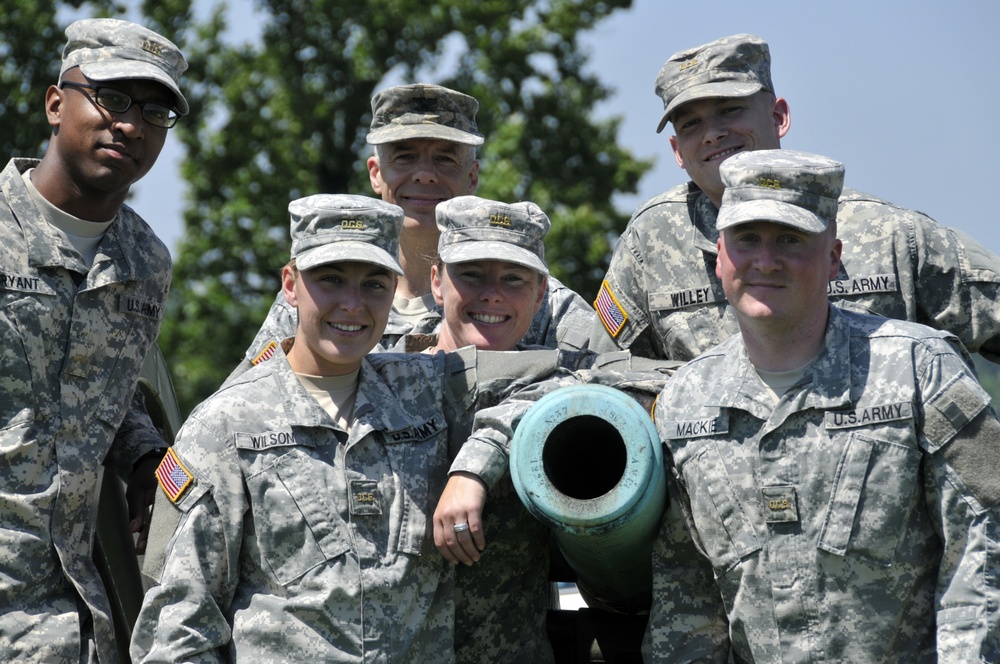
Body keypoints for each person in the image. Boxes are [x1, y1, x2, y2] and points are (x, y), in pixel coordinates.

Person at [131, 194, 632, 662]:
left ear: (395, 290)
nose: (353, 304)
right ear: (290, 284)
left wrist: (473, 468)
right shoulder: (224, 425)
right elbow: (179, 624)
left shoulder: (426, 389)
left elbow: (565, 382)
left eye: (373, 283)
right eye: (330, 279)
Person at [644, 150, 1000, 662]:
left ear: (833, 257)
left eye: (790, 240)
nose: (766, 260)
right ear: (719, 257)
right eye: (747, 240)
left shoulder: (921, 370)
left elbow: (983, 551)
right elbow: (687, 600)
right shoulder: (687, 400)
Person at [590, 33, 1000, 365]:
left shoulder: (888, 233)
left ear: (778, 117)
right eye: (692, 123)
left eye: (730, 110)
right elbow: (603, 369)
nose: (712, 133)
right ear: (678, 151)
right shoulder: (652, 240)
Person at [0, 17, 187, 662]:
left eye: (157, 110)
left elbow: (107, 387)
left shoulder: (144, 260)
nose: (132, 125)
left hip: (72, 615)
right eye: (111, 98)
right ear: (56, 103)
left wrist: (143, 457)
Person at [232, 83, 594, 377]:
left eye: (445, 158)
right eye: (404, 156)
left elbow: (609, 383)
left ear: (472, 176)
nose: (424, 174)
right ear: (376, 173)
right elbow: (248, 394)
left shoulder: (539, 300)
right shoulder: (316, 289)